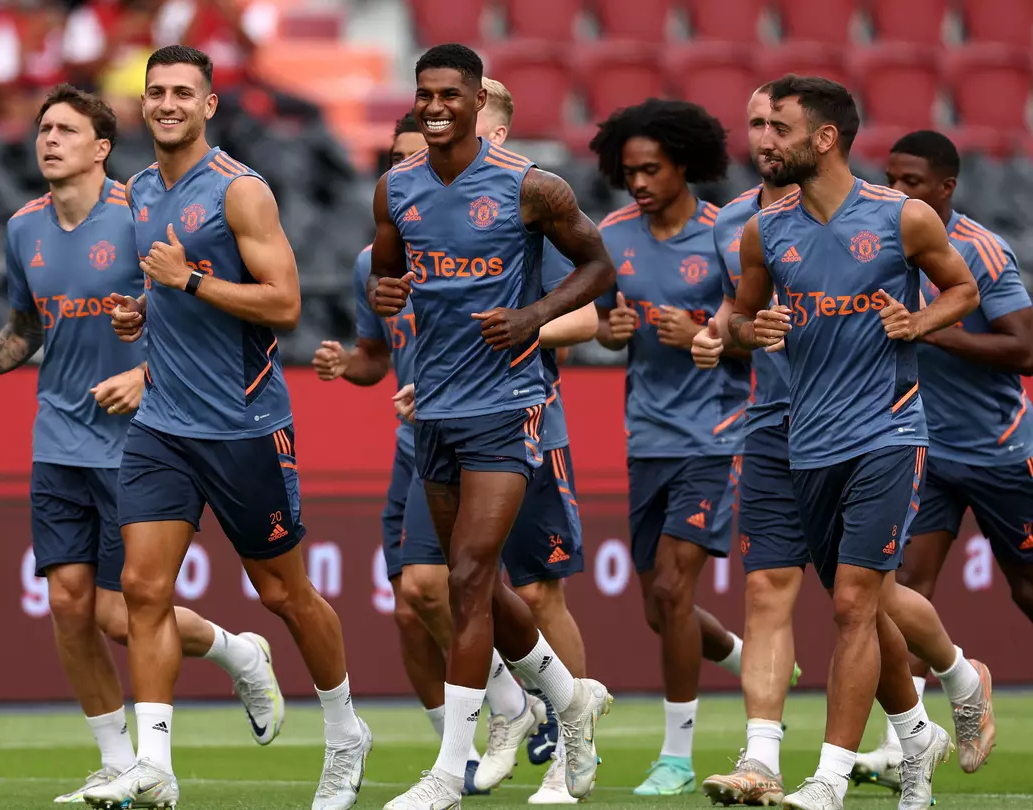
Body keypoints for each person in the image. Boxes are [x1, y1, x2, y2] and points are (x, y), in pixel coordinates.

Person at [0, 84, 283, 804]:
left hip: (142, 437)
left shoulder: (140, 214)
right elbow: (27, 326)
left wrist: (144, 372)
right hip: (57, 439)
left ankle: (238, 652)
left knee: (121, 614)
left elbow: (198, 319)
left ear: (101, 148)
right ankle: (116, 761)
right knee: (69, 605)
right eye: (43, 128)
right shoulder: (23, 228)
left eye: (66, 129)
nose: (49, 140)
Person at [84, 46, 371, 810]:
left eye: (183, 92)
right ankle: (155, 765)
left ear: (210, 104)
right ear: (141, 105)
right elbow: (175, 292)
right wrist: (147, 308)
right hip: (163, 425)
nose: (167, 103)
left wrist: (192, 281)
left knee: (284, 593)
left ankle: (346, 734)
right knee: (143, 590)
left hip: (245, 425)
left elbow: (284, 305)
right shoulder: (139, 191)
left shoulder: (241, 192)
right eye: (156, 92)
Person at [691, 89, 993, 808]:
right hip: (798, 437)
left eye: (780, 129)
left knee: (854, 604)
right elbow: (741, 319)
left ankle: (828, 777)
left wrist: (916, 323)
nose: (764, 142)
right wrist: (742, 332)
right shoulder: (764, 231)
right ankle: (932, 713)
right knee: (868, 599)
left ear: (825, 138)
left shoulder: (902, 216)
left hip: (887, 430)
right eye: (760, 126)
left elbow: (963, 289)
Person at [369, 44, 615, 810]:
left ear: (479, 101)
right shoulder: (394, 189)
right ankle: (569, 698)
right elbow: (386, 281)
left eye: (449, 94)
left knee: (471, 578)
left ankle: (449, 772)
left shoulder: (530, 186)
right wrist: (383, 302)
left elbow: (600, 267)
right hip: (433, 409)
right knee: (472, 580)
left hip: (510, 406)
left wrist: (536, 317)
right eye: (424, 95)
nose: (434, 106)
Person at [312, 112, 494, 799]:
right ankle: (464, 752)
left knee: (457, 588)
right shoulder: (373, 262)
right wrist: (345, 364)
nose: (412, 176)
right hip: (413, 445)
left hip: (484, 434)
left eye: (423, 159)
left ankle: (522, 707)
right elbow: (374, 359)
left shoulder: (489, 243)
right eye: (400, 163)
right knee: (408, 609)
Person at [588, 98, 748, 797]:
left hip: (714, 435)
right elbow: (598, 323)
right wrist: (610, 331)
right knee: (659, 608)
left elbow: (757, 323)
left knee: (675, 590)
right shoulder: (612, 236)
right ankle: (744, 655)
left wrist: (715, 337)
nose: (640, 183)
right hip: (645, 436)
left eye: (652, 169)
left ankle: (677, 756)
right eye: (629, 173)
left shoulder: (725, 237)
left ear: (685, 164)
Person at [848, 129, 1015, 787]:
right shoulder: (872, 245)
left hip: (998, 446)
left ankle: (961, 684)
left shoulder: (980, 250)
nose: (897, 192)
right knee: (895, 590)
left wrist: (930, 327)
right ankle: (908, 739)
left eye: (912, 182)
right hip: (914, 442)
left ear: (947, 188)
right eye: (890, 178)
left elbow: (1025, 347)